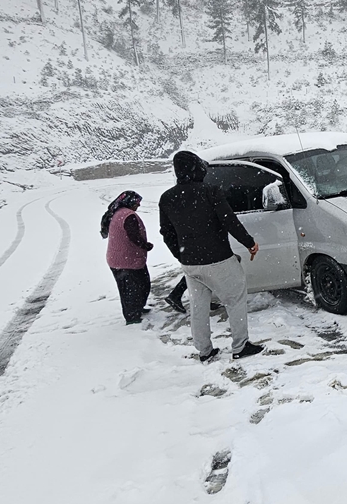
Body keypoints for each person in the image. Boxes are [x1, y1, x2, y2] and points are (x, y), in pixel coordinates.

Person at [158, 150, 263, 363]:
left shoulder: (167, 198)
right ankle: (240, 346)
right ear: (196, 168)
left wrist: (181, 256)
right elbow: (229, 221)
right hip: (219, 259)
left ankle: (204, 351)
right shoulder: (210, 191)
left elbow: (166, 233)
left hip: (190, 264)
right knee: (235, 299)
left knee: (198, 306)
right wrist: (249, 243)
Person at [100, 190, 153, 324]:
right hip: (125, 260)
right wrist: (145, 245)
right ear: (130, 202)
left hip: (121, 259)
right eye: (137, 203)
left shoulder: (119, 212)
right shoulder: (128, 215)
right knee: (132, 289)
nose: (138, 206)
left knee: (139, 285)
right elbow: (134, 236)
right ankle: (132, 317)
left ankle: (137, 308)